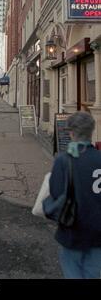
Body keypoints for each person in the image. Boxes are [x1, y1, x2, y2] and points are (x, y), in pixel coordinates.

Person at [49, 111, 101, 279]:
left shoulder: (64, 160)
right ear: (91, 132)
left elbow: (56, 194)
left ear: (71, 132)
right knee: (92, 272)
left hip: (73, 230)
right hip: (98, 231)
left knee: (73, 271)